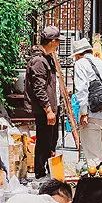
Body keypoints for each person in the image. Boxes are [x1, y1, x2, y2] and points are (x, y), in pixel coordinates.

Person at [72, 38, 102, 168]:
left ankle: (97, 187)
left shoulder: (81, 64)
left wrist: (83, 113)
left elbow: (81, 89)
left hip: (93, 115)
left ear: (78, 54)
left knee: (94, 159)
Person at [25, 26, 61, 180]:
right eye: (58, 41)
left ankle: (47, 170)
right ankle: (40, 173)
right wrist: (48, 110)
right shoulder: (39, 61)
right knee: (44, 141)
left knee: (51, 140)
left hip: (52, 107)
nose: (59, 44)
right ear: (52, 41)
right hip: (45, 110)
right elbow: (38, 88)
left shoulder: (47, 58)